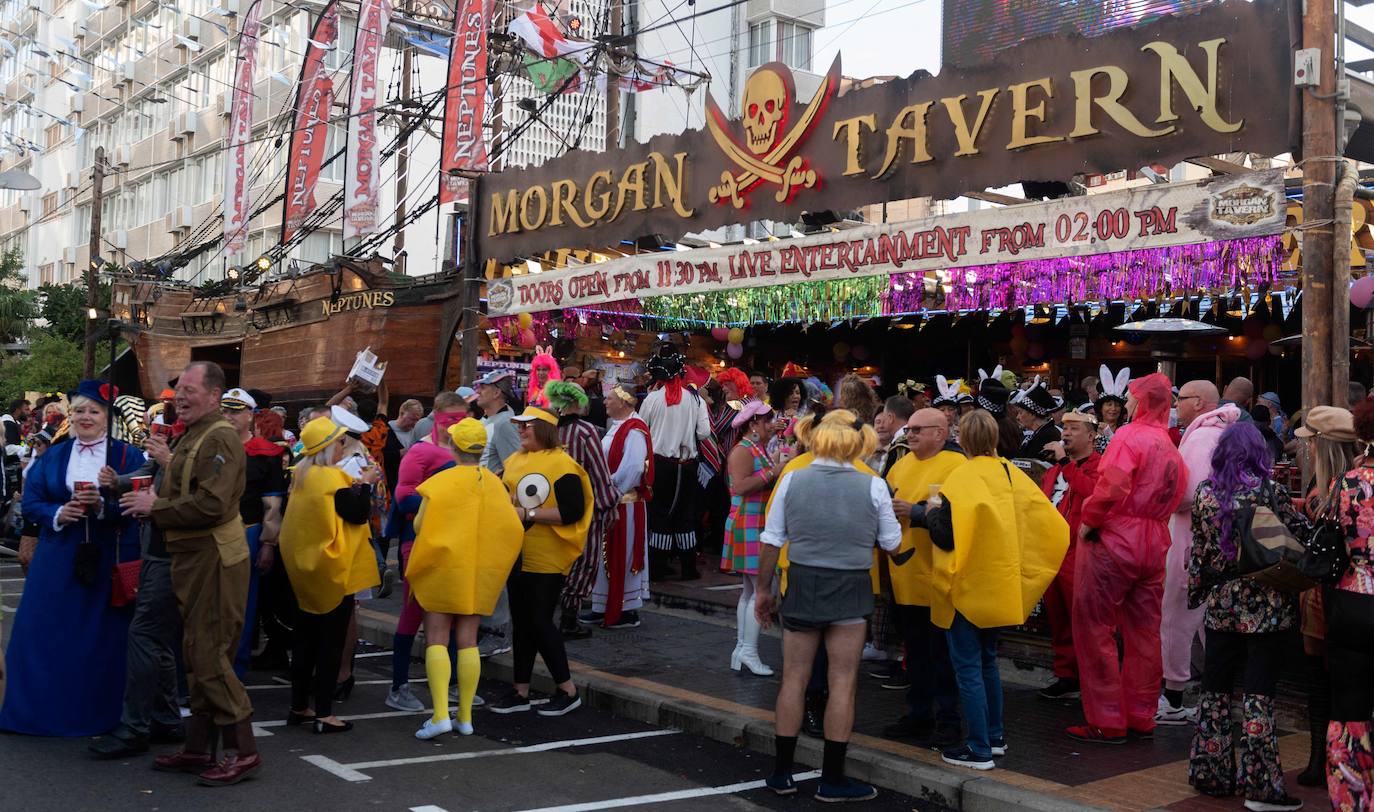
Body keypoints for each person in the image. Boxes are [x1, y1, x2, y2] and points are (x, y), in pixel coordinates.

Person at [119, 362, 260, 785]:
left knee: (209, 654)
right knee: (196, 652)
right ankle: (199, 748)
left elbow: (213, 505)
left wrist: (155, 508)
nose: (180, 396)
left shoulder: (218, 437)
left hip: (214, 558)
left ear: (215, 395)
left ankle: (244, 751)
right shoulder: (196, 434)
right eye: (179, 389)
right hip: (193, 557)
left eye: (191, 390)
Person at [755, 409, 903, 802]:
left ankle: (782, 772)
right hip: (851, 585)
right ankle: (832, 779)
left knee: (794, 678)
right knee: (842, 681)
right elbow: (893, 543)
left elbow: (771, 540)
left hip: (802, 581)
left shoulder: (793, 478)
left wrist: (762, 591)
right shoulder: (873, 485)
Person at [0, 381, 145, 737]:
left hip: (107, 553)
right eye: (79, 410)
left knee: (102, 635)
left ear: (107, 417)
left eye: (93, 411)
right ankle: (37, 712)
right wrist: (58, 512)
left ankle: (101, 714)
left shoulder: (129, 457)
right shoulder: (54, 455)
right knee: (44, 628)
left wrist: (104, 506)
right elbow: (31, 500)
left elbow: (139, 507)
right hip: (58, 553)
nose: (85, 417)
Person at [928, 410, 1069, 769]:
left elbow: (945, 535)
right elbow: (1050, 523)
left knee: (968, 668)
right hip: (1001, 586)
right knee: (988, 661)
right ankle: (994, 736)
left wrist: (930, 513)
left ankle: (978, 749)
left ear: (962, 438)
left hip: (966, 585)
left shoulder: (959, 477)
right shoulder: (1011, 473)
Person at [1185, 422, 1308, 812]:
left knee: (1215, 691)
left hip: (1221, 603)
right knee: (1258, 694)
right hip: (1266, 606)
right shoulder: (1268, 491)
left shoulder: (1206, 493)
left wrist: (1198, 592)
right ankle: (1260, 785)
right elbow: (1296, 537)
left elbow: (1201, 554)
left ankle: (1212, 772)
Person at [1069, 372, 1186, 744]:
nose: (1128, 402)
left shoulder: (1128, 436)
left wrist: (1090, 521)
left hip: (1116, 537)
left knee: (1094, 627)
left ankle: (1107, 719)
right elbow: (1178, 492)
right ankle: (1140, 714)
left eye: (1133, 396)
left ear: (1142, 401)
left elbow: (1113, 484)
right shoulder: (1168, 444)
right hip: (1155, 539)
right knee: (1144, 632)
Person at [406, 419, 524, 739]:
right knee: (468, 640)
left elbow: (420, 525)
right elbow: (513, 528)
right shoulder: (496, 484)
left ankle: (441, 714)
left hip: (442, 568)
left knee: (437, 638)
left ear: (454, 447)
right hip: (477, 571)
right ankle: (466, 717)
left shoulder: (440, 483)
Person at [279, 410, 381, 734]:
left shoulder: (301, 475)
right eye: (338, 443)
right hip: (333, 570)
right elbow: (358, 514)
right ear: (325, 446)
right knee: (330, 643)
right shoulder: (332, 479)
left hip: (303, 569)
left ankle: (299, 706)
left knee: (304, 640)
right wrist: (366, 485)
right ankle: (324, 713)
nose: (341, 449)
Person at [492, 406, 593, 717]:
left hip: (547, 555)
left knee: (538, 620)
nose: (520, 431)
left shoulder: (563, 464)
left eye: (527, 427)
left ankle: (567, 689)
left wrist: (528, 514)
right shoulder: (514, 461)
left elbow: (572, 511)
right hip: (517, 553)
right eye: (519, 427)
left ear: (544, 429)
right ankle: (520, 689)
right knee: (522, 623)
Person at [883, 407, 965, 745]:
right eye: (909, 429)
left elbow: (958, 519)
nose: (910, 434)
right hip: (904, 574)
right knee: (915, 653)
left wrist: (916, 512)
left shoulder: (957, 467)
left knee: (943, 655)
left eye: (918, 429)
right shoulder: (900, 464)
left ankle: (948, 720)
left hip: (939, 575)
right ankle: (918, 714)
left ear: (939, 433)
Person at [1159, 380, 1240, 725]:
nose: (1177, 404)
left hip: (1192, 539)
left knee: (1178, 616)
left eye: (1182, 399)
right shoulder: (1223, 431)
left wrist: (1160, 498)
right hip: (1217, 540)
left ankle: (1173, 696)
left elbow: (1190, 493)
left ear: (1201, 403)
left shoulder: (1204, 436)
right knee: (1212, 619)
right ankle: (1222, 695)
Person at [386, 390, 470, 712]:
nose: (456, 426)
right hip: (419, 541)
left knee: (450, 613)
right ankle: (398, 687)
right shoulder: (420, 453)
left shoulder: (464, 451)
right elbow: (404, 497)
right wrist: (448, 500)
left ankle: (448, 685)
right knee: (413, 613)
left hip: (455, 542)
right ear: (436, 417)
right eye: (451, 420)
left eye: (463, 419)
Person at [1290, 407, 1357, 788]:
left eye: (1310, 442)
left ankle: (1321, 760)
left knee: (1319, 680)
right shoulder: (1354, 482)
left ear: (1320, 445)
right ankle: (1337, 759)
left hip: (1323, 596)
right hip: (1354, 593)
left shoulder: (1328, 489)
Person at [1323, 398, 1374, 810]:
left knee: (1349, 708)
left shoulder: (1347, 481)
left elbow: (1333, 537)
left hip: (1352, 600)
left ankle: (1353, 800)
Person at [1038, 411, 1102, 701]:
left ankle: (1090, 678)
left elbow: (1091, 492)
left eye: (1074, 428)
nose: (1065, 433)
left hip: (1081, 553)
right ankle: (1066, 675)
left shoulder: (1100, 466)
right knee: (1059, 618)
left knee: (1083, 620)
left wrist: (1065, 462)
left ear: (1091, 435)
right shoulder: (1052, 471)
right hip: (1052, 552)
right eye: (1064, 427)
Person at [220, 388, 285, 677]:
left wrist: (268, 543)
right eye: (225, 410)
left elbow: (272, 503)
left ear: (251, 415)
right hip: (211, 533)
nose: (228, 416)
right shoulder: (211, 446)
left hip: (247, 532)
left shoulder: (266, 453)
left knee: (243, 606)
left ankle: (236, 667)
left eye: (235, 411)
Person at [545, 381, 618, 638]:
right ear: (577, 403)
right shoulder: (586, 432)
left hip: (552, 507)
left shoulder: (548, 430)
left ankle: (547, 614)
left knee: (558, 557)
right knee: (585, 560)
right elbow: (599, 472)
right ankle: (569, 618)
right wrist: (609, 503)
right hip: (586, 507)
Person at [584, 386, 654, 629]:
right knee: (606, 557)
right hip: (613, 500)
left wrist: (609, 490)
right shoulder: (619, 427)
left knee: (622, 555)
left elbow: (633, 468)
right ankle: (602, 605)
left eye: (610, 398)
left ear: (624, 402)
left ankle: (625, 607)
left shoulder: (634, 430)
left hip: (624, 502)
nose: (605, 402)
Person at [721, 400, 781, 676]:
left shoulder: (755, 447)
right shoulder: (743, 450)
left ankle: (742, 649)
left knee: (749, 592)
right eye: (768, 420)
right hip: (748, 520)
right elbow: (740, 487)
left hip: (754, 521)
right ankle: (748, 651)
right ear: (754, 423)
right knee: (757, 591)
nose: (772, 425)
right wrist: (774, 470)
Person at [640, 348, 710, 580]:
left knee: (659, 513)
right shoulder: (695, 400)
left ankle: (658, 568)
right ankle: (688, 567)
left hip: (661, 464)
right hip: (687, 464)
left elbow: (641, 431)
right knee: (685, 514)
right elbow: (704, 433)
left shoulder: (651, 399)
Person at [475, 370, 523, 476]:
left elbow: (514, 467)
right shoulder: (488, 418)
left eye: (483, 388)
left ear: (496, 393)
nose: (477, 391)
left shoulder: (505, 424)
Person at [1013, 382, 1063, 460]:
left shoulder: (1047, 436)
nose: (1017, 417)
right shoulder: (1039, 433)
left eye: (1021, 412)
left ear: (1032, 415)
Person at [873, 396, 916, 475]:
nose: (882, 425)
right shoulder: (917, 437)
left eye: (884, 418)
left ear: (890, 417)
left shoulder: (900, 445)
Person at [1095, 365, 1130, 450]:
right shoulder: (1091, 426)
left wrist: (1109, 433)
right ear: (1101, 407)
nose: (1113, 408)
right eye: (1109, 404)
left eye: (1117, 405)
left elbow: (1125, 451)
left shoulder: (1127, 429)